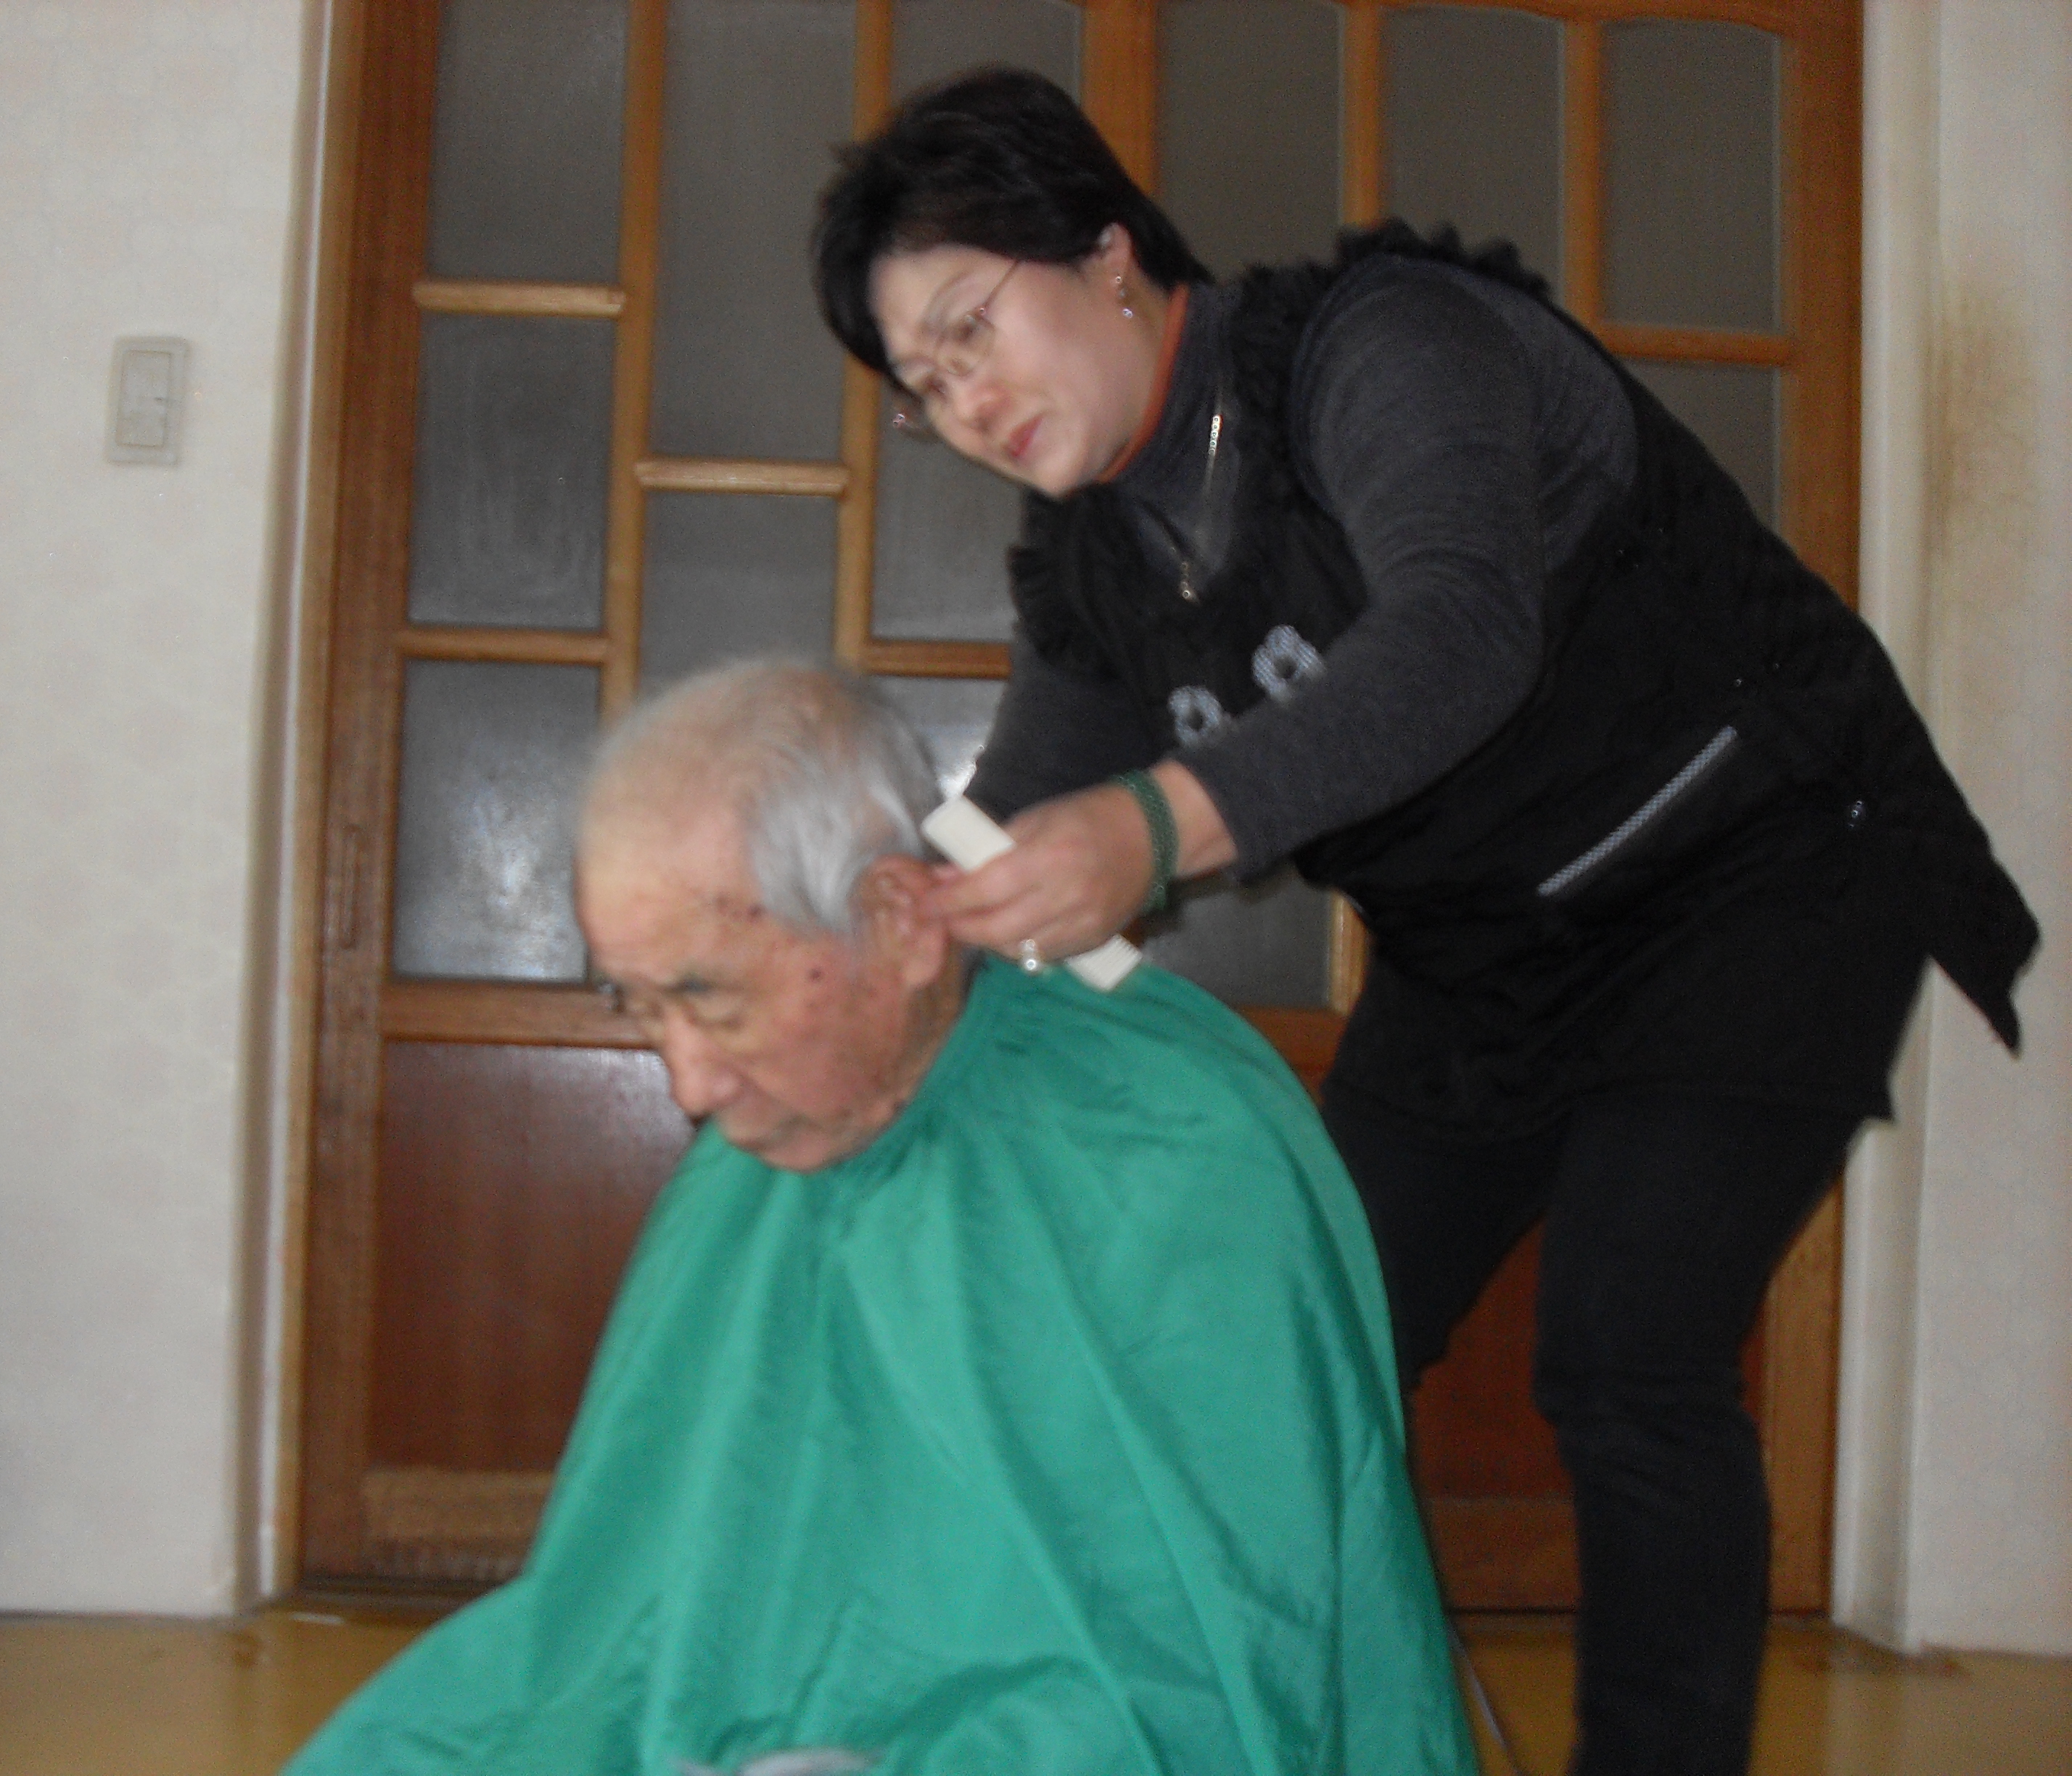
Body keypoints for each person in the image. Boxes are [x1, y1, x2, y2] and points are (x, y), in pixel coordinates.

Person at [811, 66, 2039, 1776]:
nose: (964, 400)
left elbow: (1461, 633)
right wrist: (849, 962)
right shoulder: (1096, 570)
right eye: (924, 385)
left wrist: (1155, 826)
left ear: (1104, 254)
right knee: (1295, 1338)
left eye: (970, 328)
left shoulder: (1382, 347)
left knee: (1628, 1350)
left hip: (1757, 868)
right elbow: (1014, 827)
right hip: (1485, 967)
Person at [285, 659, 1477, 1776]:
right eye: (641, 1007)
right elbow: (622, 1623)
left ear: (902, 924)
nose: (688, 1085)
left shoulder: (1171, 1151)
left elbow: (1204, 1670)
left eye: (715, 1001)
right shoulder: (753, 1159)